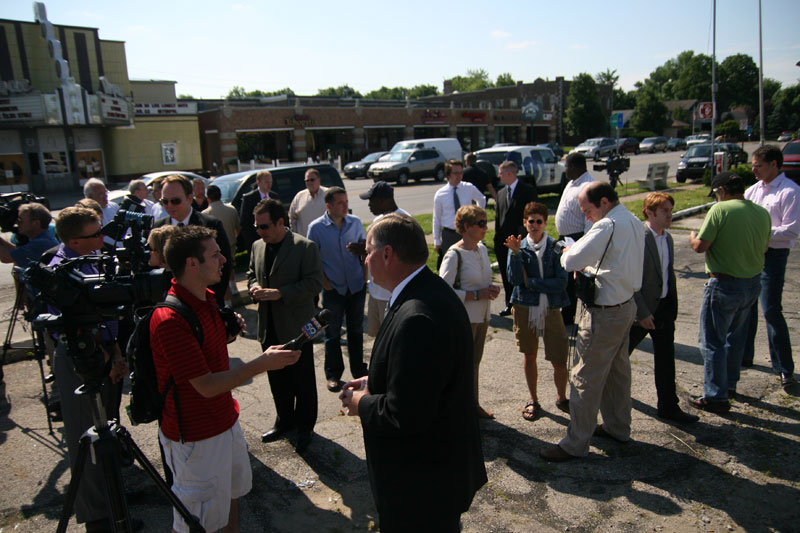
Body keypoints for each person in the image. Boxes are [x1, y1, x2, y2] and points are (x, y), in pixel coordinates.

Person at [339, 213, 487, 532]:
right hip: (431, 480)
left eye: (368, 251)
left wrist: (361, 403)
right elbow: (423, 376)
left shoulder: (418, 316)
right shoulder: (421, 292)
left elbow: (405, 414)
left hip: (422, 491)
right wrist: (374, 382)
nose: (365, 259)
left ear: (388, 254)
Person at [152, 225, 300, 533]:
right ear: (192, 263)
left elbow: (206, 357)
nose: (224, 261)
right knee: (201, 521)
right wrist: (262, 363)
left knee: (229, 501)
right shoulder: (169, 319)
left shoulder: (205, 298)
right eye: (215, 254)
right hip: (196, 437)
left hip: (224, 422)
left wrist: (225, 335)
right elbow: (205, 385)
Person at [539, 182, 644, 462]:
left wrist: (566, 255)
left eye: (587, 210)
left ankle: (575, 443)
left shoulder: (606, 226)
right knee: (617, 371)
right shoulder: (633, 220)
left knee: (584, 376)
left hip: (605, 312)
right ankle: (618, 427)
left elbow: (572, 259)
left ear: (605, 202)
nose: (586, 216)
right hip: (625, 306)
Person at [49, 207, 128, 532]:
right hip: (82, 359)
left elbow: (107, 315)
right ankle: (98, 518)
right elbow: (67, 328)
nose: (102, 238)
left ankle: (113, 504)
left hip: (106, 353)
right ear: (73, 241)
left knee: (105, 430)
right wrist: (104, 357)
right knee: (87, 437)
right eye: (94, 234)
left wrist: (117, 354)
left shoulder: (90, 259)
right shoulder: (59, 272)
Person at [689, 172, 771, 413]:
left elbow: (701, 246)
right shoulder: (761, 212)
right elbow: (765, 247)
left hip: (723, 284)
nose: (716, 198)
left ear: (722, 191)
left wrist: (693, 237)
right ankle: (730, 385)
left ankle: (715, 395)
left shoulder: (720, 210)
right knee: (736, 339)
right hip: (752, 283)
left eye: (715, 194)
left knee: (712, 340)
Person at [247, 199, 323, 452]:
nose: (259, 232)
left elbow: (314, 284)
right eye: (257, 226)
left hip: (297, 328)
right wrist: (253, 287)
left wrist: (281, 293)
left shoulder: (304, 247)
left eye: (264, 227)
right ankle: (284, 421)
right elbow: (250, 274)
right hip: (268, 327)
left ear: (281, 222)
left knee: (302, 381)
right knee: (277, 380)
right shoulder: (258, 246)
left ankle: (305, 428)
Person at [629, 193, 699, 423]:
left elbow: (666, 274)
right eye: (665, 211)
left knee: (666, 359)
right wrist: (642, 313)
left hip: (664, 308)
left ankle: (668, 406)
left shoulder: (667, 238)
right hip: (641, 311)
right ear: (649, 212)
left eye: (670, 210)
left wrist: (669, 305)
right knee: (618, 357)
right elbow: (631, 280)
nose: (670, 215)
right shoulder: (639, 237)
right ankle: (610, 399)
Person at [505, 201, 570, 421]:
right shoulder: (518, 247)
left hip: (551, 308)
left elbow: (561, 282)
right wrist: (514, 255)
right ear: (524, 223)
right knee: (529, 353)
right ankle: (533, 399)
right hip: (524, 306)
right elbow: (514, 280)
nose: (534, 225)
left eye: (539, 221)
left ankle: (562, 397)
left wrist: (531, 282)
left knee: (559, 357)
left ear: (546, 222)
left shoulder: (555, 247)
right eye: (530, 221)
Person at [743, 144, 800, 387]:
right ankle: (744, 356)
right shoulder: (752, 191)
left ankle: (784, 367)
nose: (754, 170)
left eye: (758, 166)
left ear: (775, 164)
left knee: (771, 310)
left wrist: (762, 234)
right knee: (746, 307)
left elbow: (792, 229)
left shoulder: (790, 191)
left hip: (774, 256)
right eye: (753, 165)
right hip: (751, 254)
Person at [439, 205, 500, 419]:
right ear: (466, 227)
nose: (485, 227)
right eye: (480, 223)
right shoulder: (454, 254)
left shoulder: (481, 249)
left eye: (485, 222)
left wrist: (491, 288)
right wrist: (476, 295)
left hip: (482, 316)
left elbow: (482, 280)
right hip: (464, 319)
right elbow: (443, 291)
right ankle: (458, 409)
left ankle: (471, 405)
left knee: (474, 363)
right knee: (461, 366)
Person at [307, 187, 367, 392]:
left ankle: (359, 370)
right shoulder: (316, 228)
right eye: (340, 203)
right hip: (333, 289)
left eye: (346, 202)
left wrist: (365, 276)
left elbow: (366, 250)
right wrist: (325, 283)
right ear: (329, 206)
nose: (345, 206)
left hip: (356, 285)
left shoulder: (355, 222)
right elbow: (313, 260)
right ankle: (333, 375)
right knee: (332, 333)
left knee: (356, 330)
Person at [153, 175, 233, 306]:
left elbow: (225, 263)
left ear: (190, 198)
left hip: (207, 303)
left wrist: (213, 300)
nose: (169, 205)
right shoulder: (158, 228)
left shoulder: (210, 224)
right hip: (171, 305)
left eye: (175, 201)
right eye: (164, 201)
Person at [356, 181, 409, 336]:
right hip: (375, 292)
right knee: (377, 337)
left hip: (393, 295)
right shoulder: (376, 221)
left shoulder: (403, 221)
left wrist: (367, 250)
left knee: (392, 338)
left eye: (371, 201)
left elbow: (401, 257)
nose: (369, 206)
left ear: (381, 201)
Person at [554, 153, 594, 326]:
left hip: (577, 239)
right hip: (565, 239)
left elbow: (590, 220)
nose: (565, 169)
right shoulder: (571, 183)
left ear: (576, 167)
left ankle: (575, 316)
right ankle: (566, 312)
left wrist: (583, 245)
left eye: (567, 166)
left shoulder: (588, 186)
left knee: (578, 280)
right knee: (565, 278)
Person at [494, 160, 537, 316]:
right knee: (506, 274)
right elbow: (499, 219)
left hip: (521, 242)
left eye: (501, 173)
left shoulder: (527, 190)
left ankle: (525, 303)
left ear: (509, 173)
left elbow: (531, 215)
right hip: (503, 242)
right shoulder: (500, 193)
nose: (498, 176)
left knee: (522, 273)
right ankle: (510, 304)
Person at [432, 159, 485, 268]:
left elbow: (481, 199)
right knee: (451, 264)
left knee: (469, 263)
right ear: (448, 174)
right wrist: (437, 240)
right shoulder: (440, 194)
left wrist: (478, 218)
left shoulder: (468, 188)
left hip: (467, 231)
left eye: (461, 172)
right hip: (449, 233)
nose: (459, 176)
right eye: (455, 173)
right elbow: (436, 218)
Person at [0, 203, 58, 267]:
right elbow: (15, 251)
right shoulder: (44, 239)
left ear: (36, 223)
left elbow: (5, 257)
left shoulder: (40, 243)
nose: (17, 223)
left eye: (20, 220)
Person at [239, 170, 279, 252]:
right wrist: (250, 242)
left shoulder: (274, 196)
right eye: (266, 182)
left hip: (274, 240)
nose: (269, 185)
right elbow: (245, 222)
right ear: (258, 182)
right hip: (256, 240)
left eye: (270, 182)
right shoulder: (249, 198)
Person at [203, 185, 240, 264]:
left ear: (208, 198)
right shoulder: (232, 209)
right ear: (220, 195)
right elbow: (238, 229)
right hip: (231, 246)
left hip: (213, 250)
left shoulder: (205, 214)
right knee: (230, 269)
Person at [289, 168, 327, 237]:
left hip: (325, 240)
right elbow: (292, 218)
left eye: (312, 180)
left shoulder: (328, 194)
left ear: (319, 180)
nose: (309, 183)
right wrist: (295, 236)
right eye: (307, 180)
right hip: (305, 242)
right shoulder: (299, 196)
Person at [83, 178, 119, 248]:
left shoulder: (114, 206)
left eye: (105, 192)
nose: (106, 195)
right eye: (101, 194)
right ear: (90, 197)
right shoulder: (84, 213)